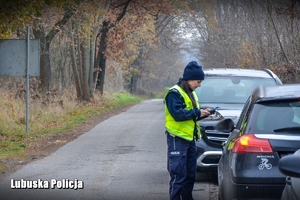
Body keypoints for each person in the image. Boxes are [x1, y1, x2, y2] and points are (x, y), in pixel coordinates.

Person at [164, 61, 212, 200]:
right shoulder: (174, 93)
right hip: (177, 139)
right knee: (179, 175)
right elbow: (178, 114)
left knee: (190, 175)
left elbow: (191, 116)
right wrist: (197, 113)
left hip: (190, 139)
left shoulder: (191, 93)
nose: (199, 85)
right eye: (198, 81)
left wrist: (204, 113)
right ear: (189, 79)